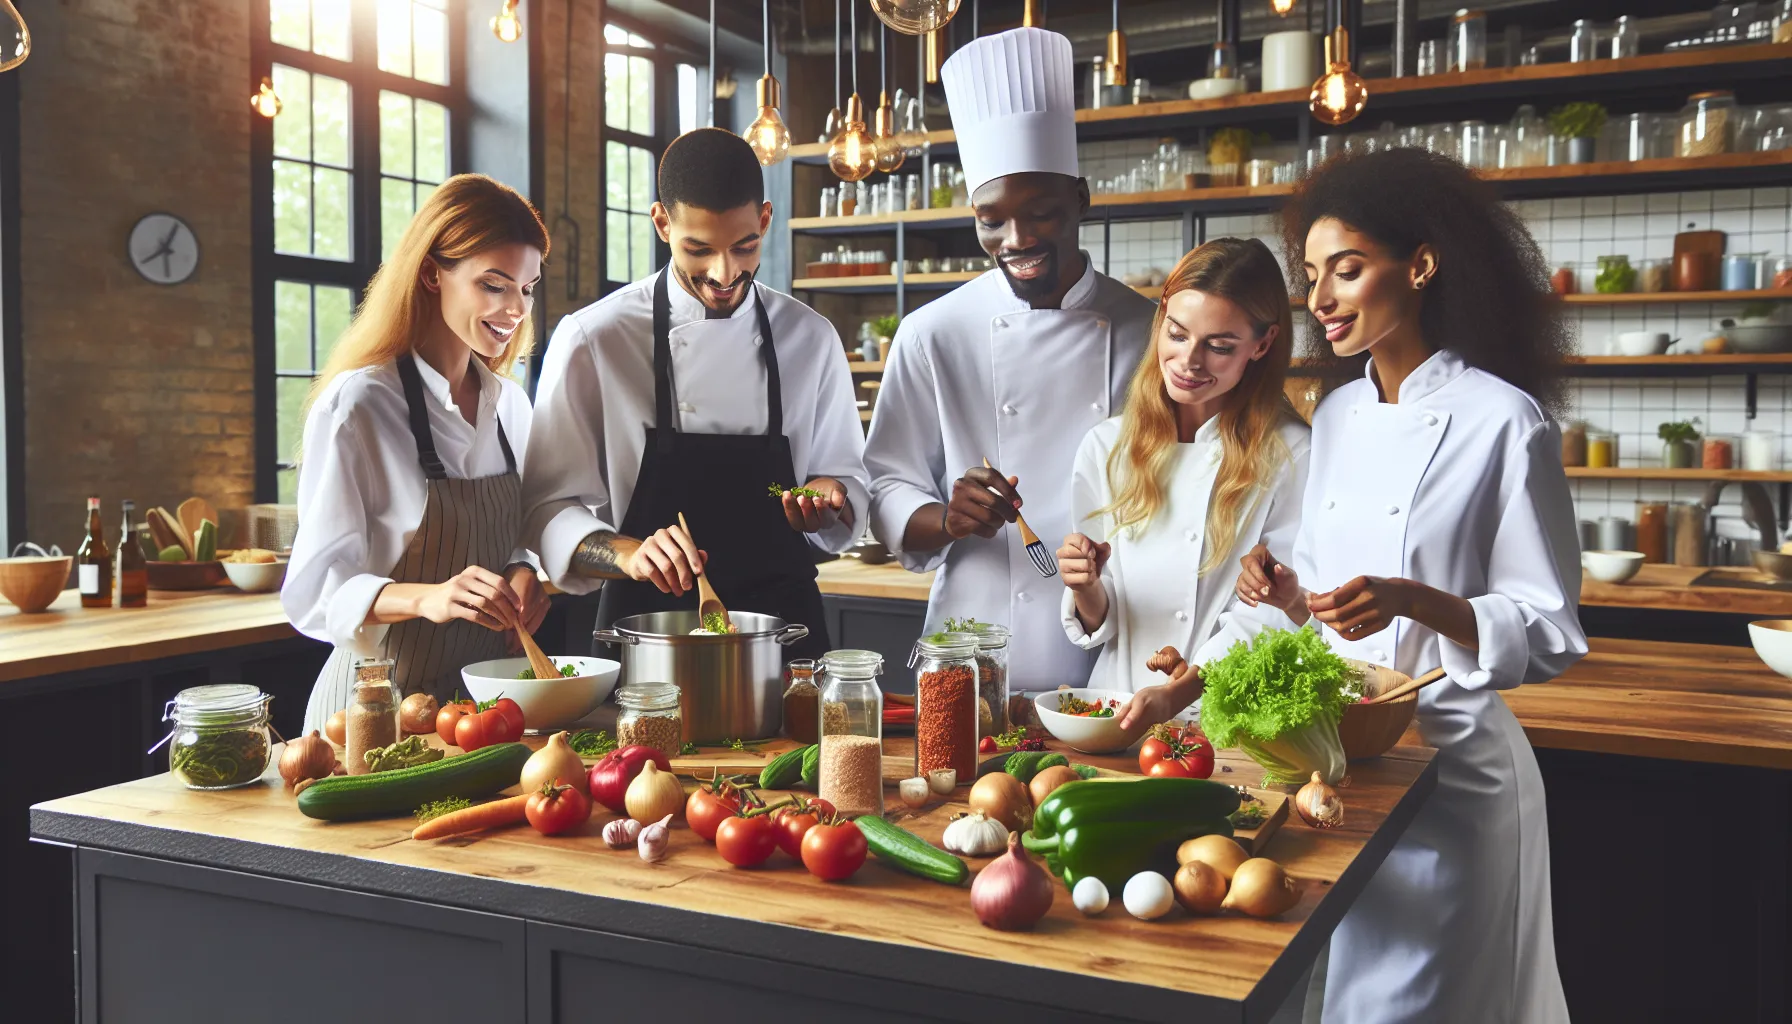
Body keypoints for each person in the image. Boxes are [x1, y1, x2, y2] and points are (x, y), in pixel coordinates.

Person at [1236, 148, 1585, 1024]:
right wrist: (1286, 589)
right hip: (1352, 763)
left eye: (1346, 270)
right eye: (1312, 275)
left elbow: (1550, 629)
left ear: (1420, 265)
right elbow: (1326, 587)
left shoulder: (1506, 420)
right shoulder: (1342, 413)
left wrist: (1413, 599)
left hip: (1458, 774)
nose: (1320, 298)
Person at [864, 27, 1156, 690]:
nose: (1015, 238)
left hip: (1117, 641)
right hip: (970, 637)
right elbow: (884, 482)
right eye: (991, 220)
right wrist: (945, 516)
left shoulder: (1150, 332)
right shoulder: (932, 332)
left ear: (1080, 200)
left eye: (1041, 212)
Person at [523, 128, 867, 660]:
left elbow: (846, 476)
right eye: (698, 249)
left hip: (785, 635)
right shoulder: (596, 338)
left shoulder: (810, 336)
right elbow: (546, 509)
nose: (724, 273)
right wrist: (628, 554)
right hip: (645, 632)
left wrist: (828, 498)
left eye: (744, 246)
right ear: (662, 222)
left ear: (766, 220)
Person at [285, 174, 551, 734]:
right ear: (432, 273)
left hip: (480, 716)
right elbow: (315, 594)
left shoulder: (511, 407)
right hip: (369, 716)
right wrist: (427, 597)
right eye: (494, 285)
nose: (516, 309)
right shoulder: (360, 406)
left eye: (527, 288)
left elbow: (524, 530)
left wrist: (525, 569)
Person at [1053, 238, 1309, 728]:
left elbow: (1272, 615)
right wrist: (1084, 585)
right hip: (1116, 715)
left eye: (1219, 346)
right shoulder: (1107, 446)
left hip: (1236, 723)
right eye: (1177, 333)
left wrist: (1177, 696)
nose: (1190, 360)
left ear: (1263, 343)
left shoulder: (1291, 452)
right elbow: (1104, 617)